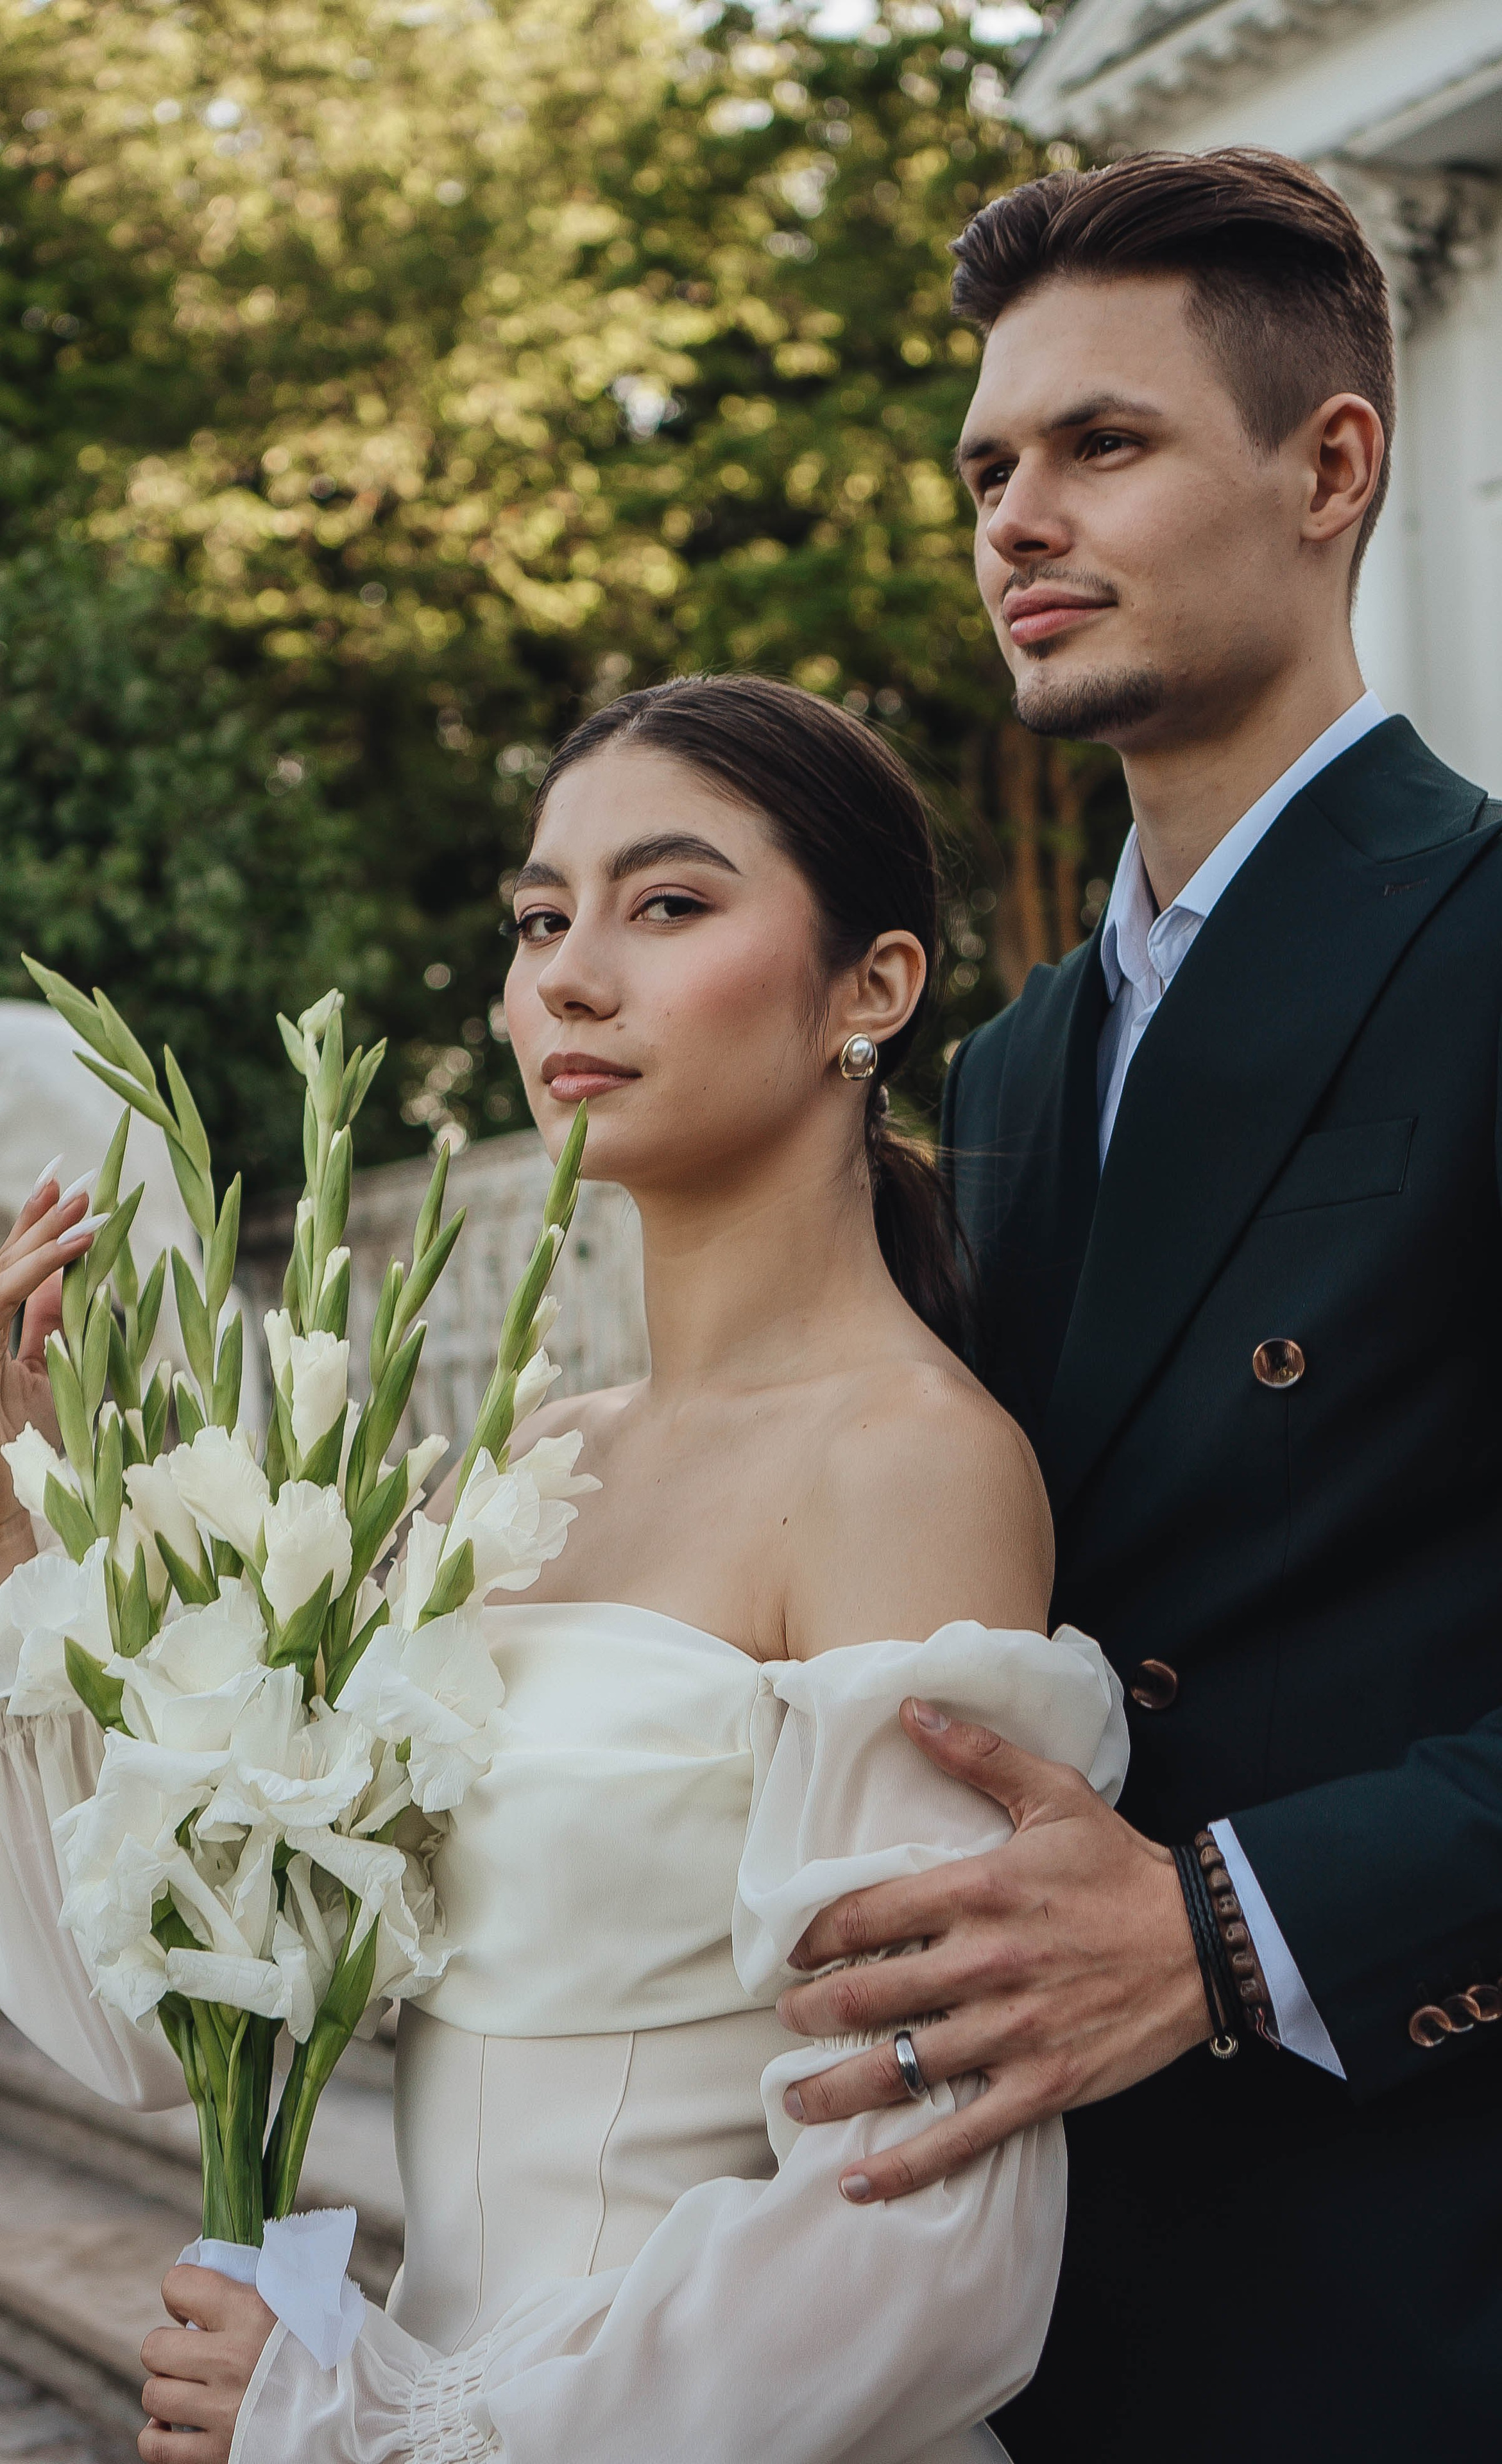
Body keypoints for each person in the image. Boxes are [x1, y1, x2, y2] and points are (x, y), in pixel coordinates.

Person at [0, 674, 1129, 2463]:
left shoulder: (907, 1467)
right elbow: (169, 2028)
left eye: (668, 904)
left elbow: (928, 2236)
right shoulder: (525, 1466)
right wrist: (4, 1538)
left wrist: (388, 2423)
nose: (570, 976)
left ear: (877, 987)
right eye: (542, 919)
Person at [772, 148, 1502, 2458]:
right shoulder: (1005, 1062)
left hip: (1428, 2279)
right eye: (990, 464)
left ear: (1332, 465)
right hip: (1050, 2310)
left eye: (1102, 444)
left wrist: (1233, 1924)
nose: (1014, 515)